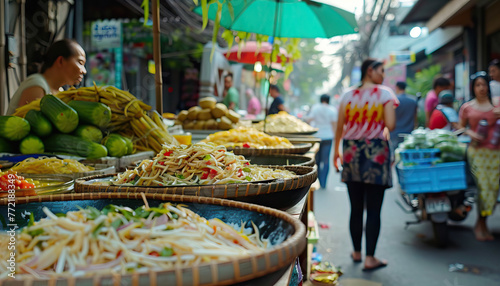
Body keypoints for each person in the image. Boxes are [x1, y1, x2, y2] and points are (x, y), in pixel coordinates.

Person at [333, 59, 397, 271]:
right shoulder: (385, 94)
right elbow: (391, 125)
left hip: (351, 153)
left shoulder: (347, 96)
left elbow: (340, 128)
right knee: (374, 210)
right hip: (376, 153)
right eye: (381, 71)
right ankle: (370, 258)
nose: (383, 75)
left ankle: (357, 252)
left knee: (356, 208)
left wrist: (336, 152)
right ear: (370, 71)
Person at [458, 72, 500, 241]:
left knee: (492, 190)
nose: (481, 88)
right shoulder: (467, 107)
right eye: (478, 85)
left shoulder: (496, 105)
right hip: (476, 153)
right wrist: (470, 132)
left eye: (484, 84)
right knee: (483, 189)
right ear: (473, 88)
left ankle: (483, 222)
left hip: (495, 153)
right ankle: (479, 224)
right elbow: (460, 128)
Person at [7, 39, 86, 115]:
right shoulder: (37, 85)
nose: (84, 71)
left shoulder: (60, 91)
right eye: (80, 62)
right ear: (61, 61)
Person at [305, 94, 337, 189]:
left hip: (317, 136)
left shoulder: (315, 108)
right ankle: (323, 183)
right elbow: (334, 125)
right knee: (326, 160)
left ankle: (316, 180)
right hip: (328, 137)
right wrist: (335, 137)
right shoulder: (332, 110)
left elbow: (309, 120)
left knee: (317, 160)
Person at [389, 81, 418, 152]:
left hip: (395, 133)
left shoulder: (394, 101)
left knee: (395, 155)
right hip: (408, 133)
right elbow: (415, 118)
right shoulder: (413, 101)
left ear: (397, 88)